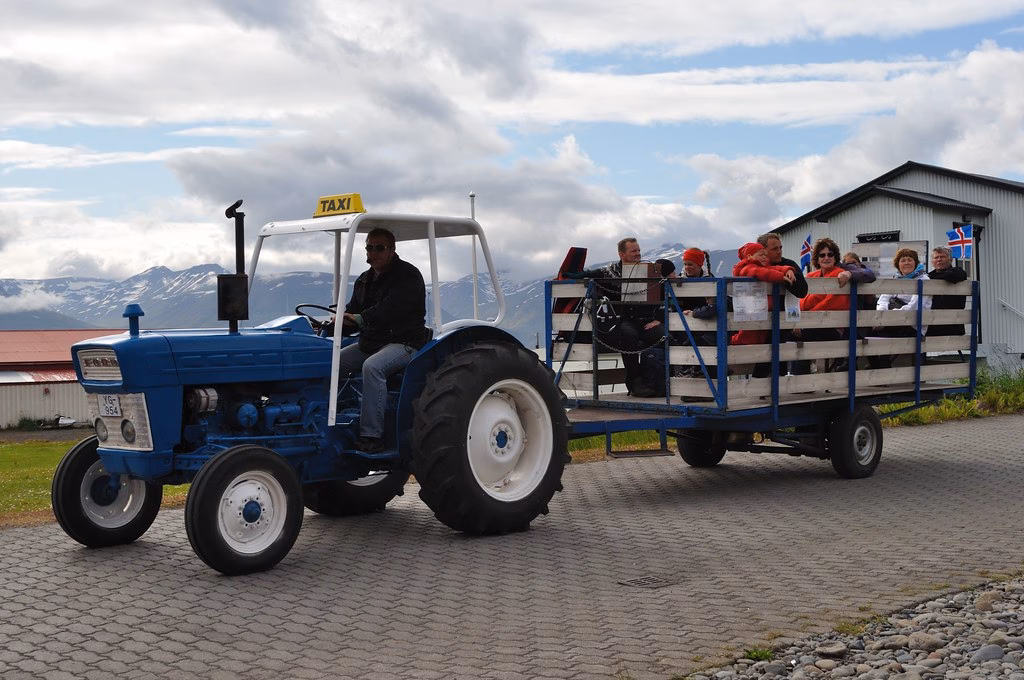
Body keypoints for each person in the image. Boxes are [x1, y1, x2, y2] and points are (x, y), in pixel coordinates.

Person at [337, 228, 431, 452]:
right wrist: (339, 321)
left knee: (373, 367)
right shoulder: (364, 279)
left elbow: (392, 308)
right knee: (333, 363)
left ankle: (371, 436)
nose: (374, 252)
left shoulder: (408, 276)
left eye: (379, 248)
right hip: (371, 342)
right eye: (370, 247)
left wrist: (361, 319)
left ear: (391, 250)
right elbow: (353, 310)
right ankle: (333, 418)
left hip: (405, 342)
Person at [572, 238, 666, 397]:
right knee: (628, 336)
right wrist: (572, 275)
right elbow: (588, 274)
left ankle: (656, 381)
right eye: (633, 251)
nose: (638, 254)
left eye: (638, 250)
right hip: (623, 320)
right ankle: (634, 383)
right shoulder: (610, 271)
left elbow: (663, 294)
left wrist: (659, 319)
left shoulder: (650, 270)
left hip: (647, 320)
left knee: (664, 336)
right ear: (622, 255)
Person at [792, 238, 875, 373]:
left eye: (830, 254)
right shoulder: (811, 276)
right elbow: (801, 301)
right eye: (822, 255)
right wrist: (800, 321)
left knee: (802, 336)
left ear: (835, 257)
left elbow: (831, 303)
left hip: (832, 326)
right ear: (817, 259)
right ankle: (792, 376)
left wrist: (806, 320)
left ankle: (799, 378)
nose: (826, 258)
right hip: (813, 323)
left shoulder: (839, 275)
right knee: (786, 334)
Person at [870, 248, 931, 369]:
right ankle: (877, 367)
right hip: (893, 321)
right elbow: (883, 299)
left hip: (913, 324)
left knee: (883, 336)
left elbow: (914, 306)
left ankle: (882, 368)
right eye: (903, 260)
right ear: (898, 264)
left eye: (910, 260)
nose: (906, 263)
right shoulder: (896, 279)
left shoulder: (924, 280)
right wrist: (883, 316)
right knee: (866, 334)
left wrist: (890, 317)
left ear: (915, 262)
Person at [730, 242, 796, 348]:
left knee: (759, 336)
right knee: (748, 335)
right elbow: (759, 272)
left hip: (762, 311)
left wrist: (788, 270)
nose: (765, 257)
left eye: (765, 254)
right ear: (749, 256)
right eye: (761, 255)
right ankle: (736, 344)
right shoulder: (746, 267)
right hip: (752, 311)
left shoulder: (764, 266)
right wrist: (780, 277)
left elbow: (773, 269)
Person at [926, 246, 968, 338]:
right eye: (936, 257)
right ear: (932, 261)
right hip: (932, 324)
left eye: (942, 257)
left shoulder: (958, 272)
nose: (939, 260)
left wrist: (932, 278)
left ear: (950, 259)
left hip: (953, 324)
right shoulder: (928, 276)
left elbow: (953, 275)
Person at [758, 232, 808, 298]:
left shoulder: (789, 264)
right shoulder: (754, 266)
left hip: (783, 304)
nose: (779, 252)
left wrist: (786, 278)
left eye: (780, 248)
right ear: (762, 251)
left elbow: (802, 292)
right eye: (774, 249)